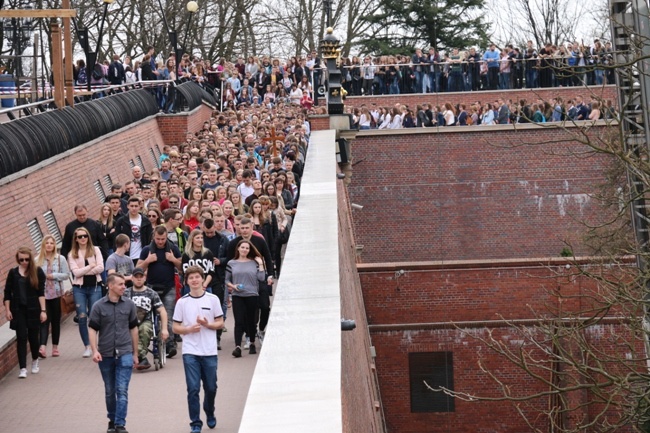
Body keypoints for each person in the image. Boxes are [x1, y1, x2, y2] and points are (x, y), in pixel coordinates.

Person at [173, 266, 224, 433]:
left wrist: (207, 324)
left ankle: (209, 411)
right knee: (193, 388)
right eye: (191, 278)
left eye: (197, 277)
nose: (194, 280)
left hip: (209, 351)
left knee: (211, 387)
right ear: (186, 282)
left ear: (202, 279)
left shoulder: (213, 299)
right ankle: (195, 423)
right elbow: (175, 327)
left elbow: (220, 323)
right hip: (190, 351)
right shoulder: (182, 302)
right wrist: (188, 330)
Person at [88, 273, 138, 433]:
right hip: (106, 354)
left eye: (125, 284)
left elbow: (134, 328)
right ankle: (112, 419)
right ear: (110, 286)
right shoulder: (98, 306)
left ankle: (120, 424)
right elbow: (92, 329)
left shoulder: (129, 305)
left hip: (125, 352)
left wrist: (135, 353)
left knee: (122, 389)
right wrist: (94, 350)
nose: (124, 286)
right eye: (120, 284)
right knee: (110, 390)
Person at [136, 225, 182, 357]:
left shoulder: (172, 248)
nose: (160, 241)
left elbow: (181, 267)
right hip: (151, 288)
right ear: (153, 237)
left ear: (166, 236)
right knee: (150, 317)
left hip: (169, 287)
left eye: (162, 239)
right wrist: (147, 261)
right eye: (158, 239)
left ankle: (169, 344)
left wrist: (173, 259)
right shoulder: (147, 250)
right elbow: (137, 269)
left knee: (167, 316)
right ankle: (154, 343)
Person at [4, 247, 47, 378]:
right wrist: (7, 309)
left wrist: (43, 311)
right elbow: (7, 292)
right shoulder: (13, 273)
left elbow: (41, 293)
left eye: (26, 259)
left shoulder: (37, 272)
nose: (24, 262)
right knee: (21, 337)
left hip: (34, 309)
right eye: (21, 259)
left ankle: (35, 361)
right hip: (19, 310)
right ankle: (22, 367)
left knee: (34, 338)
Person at [68, 226, 105, 358]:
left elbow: (101, 268)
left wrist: (83, 270)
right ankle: (87, 346)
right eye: (80, 237)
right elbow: (76, 273)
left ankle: (97, 345)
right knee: (82, 317)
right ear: (76, 239)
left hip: (95, 287)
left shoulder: (95, 250)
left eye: (85, 236)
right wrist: (90, 266)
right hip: (80, 289)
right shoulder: (72, 253)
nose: (83, 238)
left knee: (94, 316)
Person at [226, 240, 265, 358]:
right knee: (239, 321)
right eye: (242, 247)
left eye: (247, 248)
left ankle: (252, 342)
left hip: (252, 295)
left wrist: (261, 264)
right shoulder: (231, 263)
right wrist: (233, 286)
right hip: (238, 295)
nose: (244, 250)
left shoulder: (254, 263)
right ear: (238, 248)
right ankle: (237, 347)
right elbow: (226, 280)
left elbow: (262, 278)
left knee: (251, 321)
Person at [124, 267, 169, 370]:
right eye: (136, 277)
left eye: (141, 277)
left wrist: (164, 329)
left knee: (144, 329)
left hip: (146, 320)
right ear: (132, 278)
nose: (139, 279)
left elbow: (162, 311)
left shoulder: (152, 293)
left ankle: (140, 356)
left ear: (145, 278)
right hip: (128, 321)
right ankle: (139, 357)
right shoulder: (125, 293)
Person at [35, 235, 70, 358]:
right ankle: (42, 347)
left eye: (51, 243)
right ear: (43, 245)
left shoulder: (60, 259)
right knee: (44, 320)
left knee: (55, 321)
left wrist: (54, 275)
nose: (49, 245)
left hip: (56, 293)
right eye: (47, 243)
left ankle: (55, 347)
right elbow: (33, 277)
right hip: (43, 295)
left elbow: (66, 275)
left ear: (54, 245)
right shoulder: (37, 260)